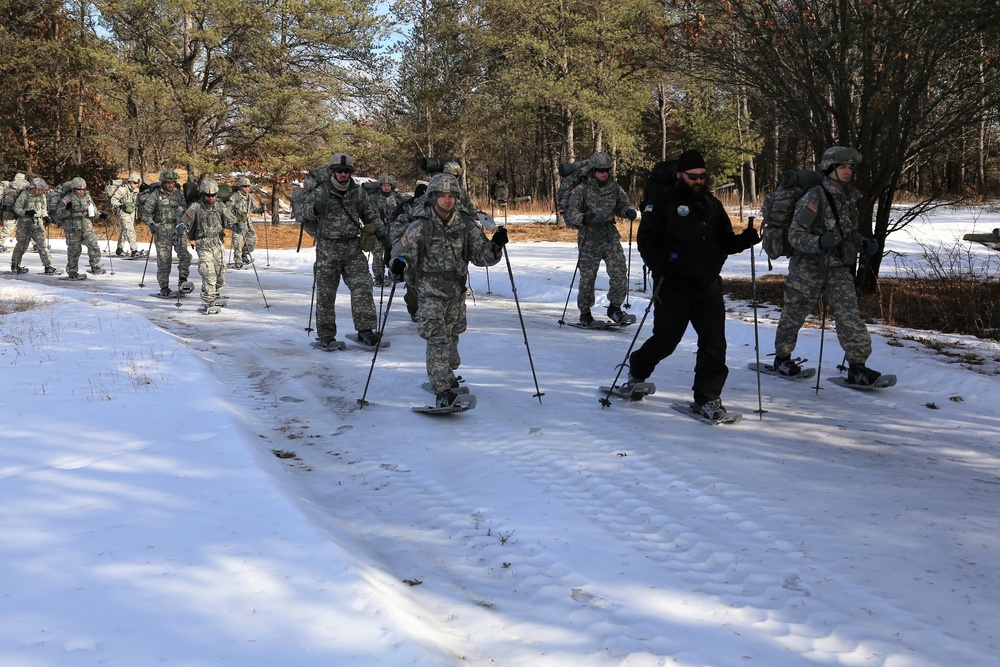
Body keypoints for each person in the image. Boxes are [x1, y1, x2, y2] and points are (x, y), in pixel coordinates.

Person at [627, 149, 759, 421]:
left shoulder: (711, 204)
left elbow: (725, 241)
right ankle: (637, 370)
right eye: (693, 176)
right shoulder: (662, 202)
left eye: (702, 176)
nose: (699, 181)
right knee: (666, 340)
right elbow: (647, 241)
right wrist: (661, 263)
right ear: (679, 175)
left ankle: (708, 399)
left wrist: (745, 239)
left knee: (714, 343)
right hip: (674, 283)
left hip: (707, 284)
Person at [389, 173, 506, 408]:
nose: (447, 200)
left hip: (456, 291)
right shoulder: (420, 225)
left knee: (453, 339)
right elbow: (402, 254)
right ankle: (443, 390)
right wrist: (400, 263)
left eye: (451, 195)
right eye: (442, 195)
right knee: (437, 338)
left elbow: (481, 256)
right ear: (433, 197)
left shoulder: (464, 224)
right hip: (429, 290)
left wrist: (495, 246)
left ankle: (446, 373)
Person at [771, 146, 882, 385]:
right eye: (842, 166)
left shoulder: (848, 197)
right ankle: (782, 358)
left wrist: (862, 243)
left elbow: (848, 231)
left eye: (850, 167)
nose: (847, 171)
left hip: (838, 265)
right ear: (829, 168)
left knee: (849, 314)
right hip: (807, 266)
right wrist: (819, 241)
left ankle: (857, 367)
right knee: (795, 313)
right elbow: (795, 236)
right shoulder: (815, 197)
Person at [302, 152, 389, 350]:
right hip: (327, 249)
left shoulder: (358, 192)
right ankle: (325, 335)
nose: (343, 174)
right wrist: (315, 208)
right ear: (333, 172)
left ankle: (366, 330)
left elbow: (372, 216)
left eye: (346, 171)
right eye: (339, 171)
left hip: (352, 247)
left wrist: (384, 238)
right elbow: (303, 213)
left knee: (363, 287)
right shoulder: (321, 191)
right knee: (325, 293)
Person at [564, 151, 637, 326]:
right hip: (589, 237)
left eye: (606, 170)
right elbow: (570, 212)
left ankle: (615, 308)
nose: (604, 173)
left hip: (609, 236)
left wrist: (627, 212)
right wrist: (583, 218)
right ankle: (585, 313)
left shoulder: (614, 188)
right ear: (592, 170)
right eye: (600, 170)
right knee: (588, 278)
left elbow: (621, 205)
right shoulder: (582, 190)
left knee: (619, 272)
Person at [182, 178, 242, 314]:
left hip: (218, 243)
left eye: (213, 195)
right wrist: (181, 227)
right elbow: (185, 221)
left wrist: (238, 225)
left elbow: (230, 220)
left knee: (221, 273)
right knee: (208, 272)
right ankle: (208, 299)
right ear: (202, 194)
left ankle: (215, 293)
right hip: (203, 243)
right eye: (208, 195)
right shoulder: (195, 207)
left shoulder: (220, 205)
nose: (211, 198)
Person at [141, 169, 192, 296]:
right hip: (162, 231)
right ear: (162, 182)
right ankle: (164, 287)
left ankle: (183, 280)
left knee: (185, 255)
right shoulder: (155, 195)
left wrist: (183, 224)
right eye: (167, 182)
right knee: (164, 261)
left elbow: (185, 211)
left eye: (172, 182)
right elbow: (146, 213)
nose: (170, 185)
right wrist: (152, 224)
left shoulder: (178, 194)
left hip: (177, 230)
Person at [55, 177, 108, 278]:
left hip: (85, 224)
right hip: (72, 226)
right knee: (74, 250)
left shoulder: (87, 197)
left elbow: (93, 210)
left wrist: (100, 215)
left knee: (93, 243)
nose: (81, 191)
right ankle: (72, 271)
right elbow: (58, 215)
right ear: (74, 189)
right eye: (79, 189)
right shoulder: (67, 198)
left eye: (82, 189)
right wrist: (66, 209)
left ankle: (95, 265)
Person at [10, 177, 61, 275]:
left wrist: (46, 216)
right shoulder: (24, 195)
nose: (40, 191)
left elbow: (43, 208)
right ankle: (15, 266)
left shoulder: (42, 196)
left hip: (37, 223)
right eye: (39, 189)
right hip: (24, 224)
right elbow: (17, 208)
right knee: (21, 245)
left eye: (42, 190)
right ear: (33, 187)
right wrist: (26, 212)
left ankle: (48, 266)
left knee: (42, 245)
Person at [228, 176, 265, 268]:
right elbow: (227, 210)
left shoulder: (249, 196)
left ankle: (244, 255)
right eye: (244, 186)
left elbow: (254, 208)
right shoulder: (234, 197)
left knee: (253, 240)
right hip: (238, 222)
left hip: (247, 222)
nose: (247, 188)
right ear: (240, 186)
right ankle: (237, 260)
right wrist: (234, 220)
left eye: (248, 186)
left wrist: (261, 210)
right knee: (238, 241)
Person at [371, 175, 401, 286]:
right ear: (380, 186)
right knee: (378, 254)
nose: (387, 188)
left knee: (394, 252)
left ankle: (394, 273)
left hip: (393, 229)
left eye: (388, 185)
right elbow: (370, 213)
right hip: (379, 229)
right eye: (384, 185)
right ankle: (378, 276)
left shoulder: (396, 197)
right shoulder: (374, 197)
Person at [111, 173, 143, 257]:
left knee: (125, 230)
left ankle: (119, 248)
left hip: (132, 211)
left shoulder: (136, 190)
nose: (136, 185)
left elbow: (138, 200)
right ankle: (134, 250)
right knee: (129, 229)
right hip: (123, 211)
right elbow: (113, 199)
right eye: (135, 183)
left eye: (138, 183)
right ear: (130, 182)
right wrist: (120, 205)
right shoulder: (122, 189)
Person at [1, 173, 29, 252]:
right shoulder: (25, 186)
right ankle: (36, 245)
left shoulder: (8, 187)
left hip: (8, 211)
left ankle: (0, 244)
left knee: (7, 229)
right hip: (21, 210)